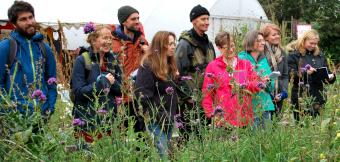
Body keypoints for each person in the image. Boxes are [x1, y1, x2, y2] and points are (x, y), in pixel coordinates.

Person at [0, 1, 57, 119]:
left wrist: (50, 107)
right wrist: (7, 111)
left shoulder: (44, 48)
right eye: (23, 19)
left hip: (41, 117)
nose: (30, 22)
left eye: (31, 17)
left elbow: (52, 81)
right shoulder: (6, 47)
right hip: (15, 119)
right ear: (14, 24)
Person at [71, 23, 122, 143]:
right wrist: (102, 83)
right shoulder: (82, 60)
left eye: (110, 38)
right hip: (87, 121)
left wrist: (112, 83)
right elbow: (78, 92)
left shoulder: (113, 60)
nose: (109, 41)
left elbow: (120, 90)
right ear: (93, 41)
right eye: (105, 38)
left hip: (109, 121)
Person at [202, 32, 262, 128]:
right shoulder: (213, 66)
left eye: (233, 46)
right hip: (223, 119)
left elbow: (257, 85)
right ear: (219, 48)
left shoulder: (244, 64)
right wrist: (211, 114)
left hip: (244, 117)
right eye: (227, 47)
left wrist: (244, 85)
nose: (231, 49)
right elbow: (207, 93)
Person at [134, 31, 178, 158]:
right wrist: (157, 115)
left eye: (174, 43)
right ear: (160, 45)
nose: (173, 46)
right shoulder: (148, 66)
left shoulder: (168, 64)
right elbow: (142, 96)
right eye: (169, 44)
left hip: (167, 118)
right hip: (156, 121)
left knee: (166, 155)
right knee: (161, 156)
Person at [175, 4, 215, 139]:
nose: (207, 22)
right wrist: (187, 97)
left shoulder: (209, 44)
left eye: (208, 19)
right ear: (194, 21)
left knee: (204, 136)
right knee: (189, 138)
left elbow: (213, 69)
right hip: (190, 102)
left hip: (206, 99)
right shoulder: (184, 44)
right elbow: (178, 74)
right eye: (203, 19)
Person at [111, 5, 148, 133]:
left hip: (140, 95)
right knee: (124, 134)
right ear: (123, 22)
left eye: (138, 18)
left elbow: (150, 64)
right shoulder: (114, 42)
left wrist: (149, 53)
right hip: (121, 95)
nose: (137, 21)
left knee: (141, 135)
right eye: (133, 19)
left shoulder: (142, 40)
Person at [287, 29, 336, 121]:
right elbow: (290, 74)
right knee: (302, 125)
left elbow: (326, 71)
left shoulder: (320, 55)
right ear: (304, 40)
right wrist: (305, 73)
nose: (313, 46)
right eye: (311, 43)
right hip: (301, 95)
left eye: (315, 44)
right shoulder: (294, 55)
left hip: (318, 95)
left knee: (317, 126)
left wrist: (331, 77)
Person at [238, 30, 275, 128]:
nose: (263, 43)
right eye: (258, 40)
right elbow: (240, 84)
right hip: (250, 107)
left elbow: (271, 87)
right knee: (253, 140)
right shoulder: (241, 59)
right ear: (250, 42)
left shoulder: (263, 60)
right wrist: (258, 82)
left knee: (268, 140)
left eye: (263, 40)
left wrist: (269, 81)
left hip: (266, 105)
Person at [260, 23, 289, 117]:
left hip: (278, 94)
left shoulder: (282, 52)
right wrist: (270, 93)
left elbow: (284, 75)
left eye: (278, 34)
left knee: (276, 124)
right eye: (274, 35)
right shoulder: (260, 53)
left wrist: (283, 92)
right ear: (266, 37)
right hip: (264, 95)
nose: (277, 36)